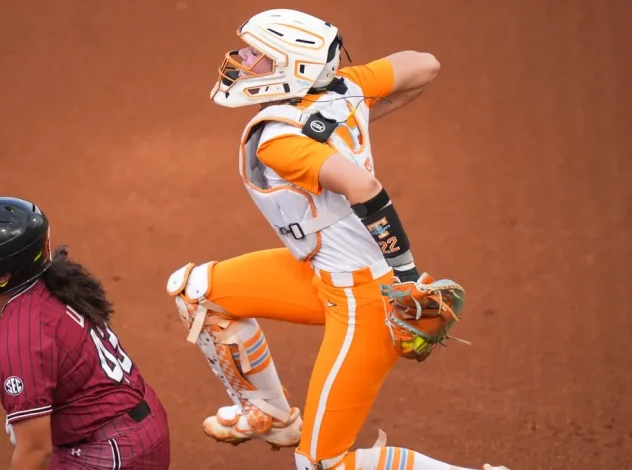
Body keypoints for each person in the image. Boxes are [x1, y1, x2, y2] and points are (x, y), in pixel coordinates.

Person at [166, 9, 508, 470]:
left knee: (321, 466)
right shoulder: (345, 88)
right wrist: (361, 109)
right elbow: (425, 65)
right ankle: (270, 414)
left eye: (258, 55)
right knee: (199, 293)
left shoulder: (280, 142)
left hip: (365, 301)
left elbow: (364, 189)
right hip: (320, 273)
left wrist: (405, 274)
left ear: (294, 69)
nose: (241, 59)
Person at [0, 196, 170, 470]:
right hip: (138, 426)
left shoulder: (19, 338)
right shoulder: (52, 284)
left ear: (2, 276)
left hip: (111, 454)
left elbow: (35, 451)